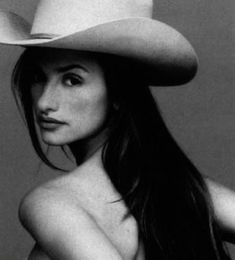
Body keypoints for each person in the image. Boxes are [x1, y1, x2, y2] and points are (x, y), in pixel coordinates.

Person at [0, 0, 234, 259]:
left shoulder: (52, 203)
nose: (44, 102)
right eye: (37, 77)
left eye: (72, 80)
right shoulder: (186, 188)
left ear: (119, 92)